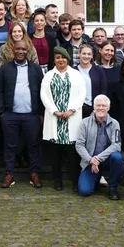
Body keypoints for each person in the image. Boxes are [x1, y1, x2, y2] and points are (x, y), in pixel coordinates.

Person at [0, 40, 44, 189]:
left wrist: (41, 113)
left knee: (33, 145)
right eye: (18, 49)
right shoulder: (5, 69)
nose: (21, 51)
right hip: (10, 115)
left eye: (24, 49)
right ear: (13, 49)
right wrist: (2, 113)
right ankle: (9, 174)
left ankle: (34, 173)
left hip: (31, 115)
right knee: (10, 146)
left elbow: (42, 91)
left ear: (28, 50)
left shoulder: (36, 69)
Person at [41, 47, 86, 192]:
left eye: (64, 57)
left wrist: (71, 110)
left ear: (68, 59)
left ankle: (75, 182)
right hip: (55, 119)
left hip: (71, 119)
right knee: (56, 154)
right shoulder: (48, 75)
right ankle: (57, 181)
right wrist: (55, 111)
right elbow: (44, 95)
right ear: (54, 59)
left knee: (73, 154)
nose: (61, 60)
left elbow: (82, 94)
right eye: (58, 57)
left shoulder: (76, 75)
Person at [75, 94, 124, 199]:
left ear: (108, 108)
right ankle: (96, 178)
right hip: (89, 161)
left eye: (103, 105)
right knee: (84, 191)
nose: (101, 108)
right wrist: (91, 160)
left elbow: (117, 145)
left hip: (107, 161)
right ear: (94, 106)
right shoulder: (84, 123)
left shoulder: (115, 123)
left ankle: (113, 189)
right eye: (98, 105)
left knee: (118, 157)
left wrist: (98, 158)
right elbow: (79, 145)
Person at [77, 43, 107, 119]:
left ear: (92, 56)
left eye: (89, 54)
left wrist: (96, 110)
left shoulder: (98, 70)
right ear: (79, 54)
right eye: (84, 53)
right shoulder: (73, 71)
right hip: (77, 109)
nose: (86, 56)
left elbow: (103, 91)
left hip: (93, 109)